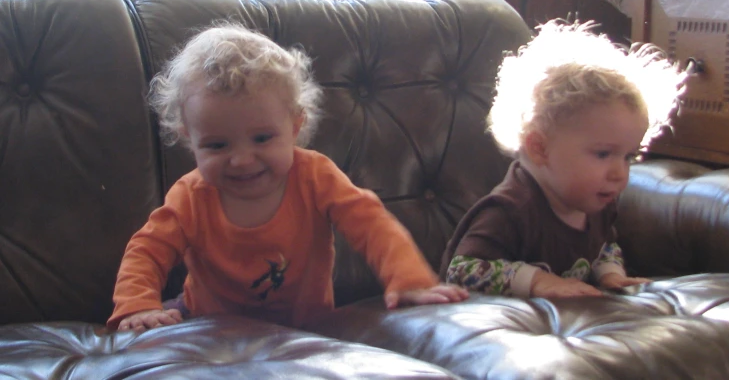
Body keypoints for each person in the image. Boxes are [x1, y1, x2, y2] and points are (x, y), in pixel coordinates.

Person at [108, 23, 467, 332]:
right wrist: (139, 306)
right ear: (190, 139)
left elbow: (371, 223)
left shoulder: (315, 176)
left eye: (262, 138)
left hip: (306, 326)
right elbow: (147, 250)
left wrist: (408, 279)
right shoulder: (190, 196)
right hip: (209, 329)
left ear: (296, 125)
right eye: (217, 145)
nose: (242, 160)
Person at [440, 20, 686, 299]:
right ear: (540, 148)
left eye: (629, 156)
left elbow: (603, 245)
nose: (619, 173)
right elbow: (461, 270)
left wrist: (611, 274)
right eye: (603, 154)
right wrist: (538, 281)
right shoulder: (511, 210)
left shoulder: (595, 203)